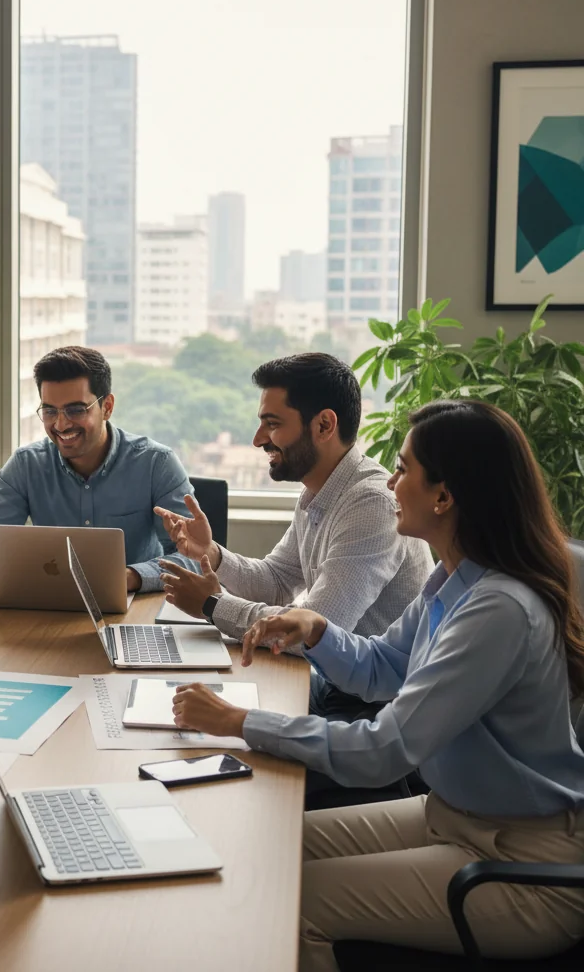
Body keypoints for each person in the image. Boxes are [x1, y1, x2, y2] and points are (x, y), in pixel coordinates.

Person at [171, 400, 584, 970]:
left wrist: (239, 722)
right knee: (264, 847)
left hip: (524, 865)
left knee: (289, 902)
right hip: (452, 816)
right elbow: (383, 666)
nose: (391, 482)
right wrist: (318, 632)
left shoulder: (499, 610)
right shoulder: (453, 581)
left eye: (404, 468)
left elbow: (384, 749)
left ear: (444, 496)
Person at [157, 352, 433, 722]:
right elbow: (276, 581)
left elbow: (312, 632)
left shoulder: (371, 505)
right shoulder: (320, 491)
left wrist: (212, 605)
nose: (258, 439)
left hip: (372, 710)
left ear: (324, 425)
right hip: (336, 688)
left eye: (272, 424)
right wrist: (212, 552)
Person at [0, 345, 198, 592]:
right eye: (50, 411)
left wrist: (128, 578)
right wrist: (23, 577)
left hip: (136, 605)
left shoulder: (156, 463)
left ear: (107, 407)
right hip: (48, 602)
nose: (61, 424)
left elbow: (194, 557)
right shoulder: (26, 465)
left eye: (75, 410)